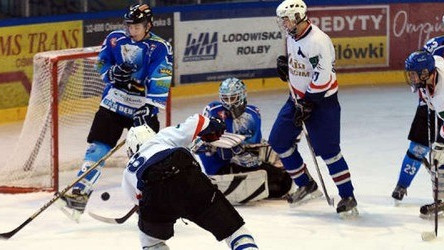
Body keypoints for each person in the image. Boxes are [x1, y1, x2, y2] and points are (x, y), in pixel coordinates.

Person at [61, 3, 173, 217]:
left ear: (148, 25)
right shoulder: (115, 38)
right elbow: (102, 63)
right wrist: (112, 74)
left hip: (141, 109)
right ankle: (79, 194)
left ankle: (154, 203)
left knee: (149, 158)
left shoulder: (159, 47)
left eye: (137, 27)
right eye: (129, 26)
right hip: (113, 103)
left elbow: (161, 78)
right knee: (98, 148)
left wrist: (150, 107)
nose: (132, 30)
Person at [122, 114, 259, 249]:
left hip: (154, 195)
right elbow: (197, 121)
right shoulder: (160, 138)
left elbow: (140, 202)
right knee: (234, 231)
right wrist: (213, 124)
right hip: (189, 179)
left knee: (151, 243)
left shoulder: (128, 171)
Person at [272, 0, 357, 215]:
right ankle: (306, 184)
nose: (284, 24)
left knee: (329, 152)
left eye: (286, 20)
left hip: (322, 104)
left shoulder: (318, 41)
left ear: (298, 17)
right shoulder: (292, 36)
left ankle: (347, 196)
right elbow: (301, 64)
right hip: (296, 100)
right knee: (279, 141)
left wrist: (309, 103)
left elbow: (323, 77)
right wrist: (287, 67)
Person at [197, 77, 294, 204]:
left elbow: (253, 146)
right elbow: (201, 143)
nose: (230, 103)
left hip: (242, 159)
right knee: (278, 179)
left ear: (243, 96)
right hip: (220, 166)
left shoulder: (253, 114)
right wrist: (209, 146)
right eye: (226, 99)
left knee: (282, 169)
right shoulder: (212, 111)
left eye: (233, 98)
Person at [391, 17, 444, 203]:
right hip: (430, 101)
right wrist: (424, 94)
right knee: (418, 147)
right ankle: (402, 184)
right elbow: (420, 70)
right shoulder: (434, 46)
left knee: (441, 153)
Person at [402, 50, 444, 217]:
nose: (411, 78)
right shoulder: (434, 64)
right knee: (438, 156)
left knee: (439, 152)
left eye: (414, 75)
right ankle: (441, 199)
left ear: (425, 73)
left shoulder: (442, 95)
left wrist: (440, 144)